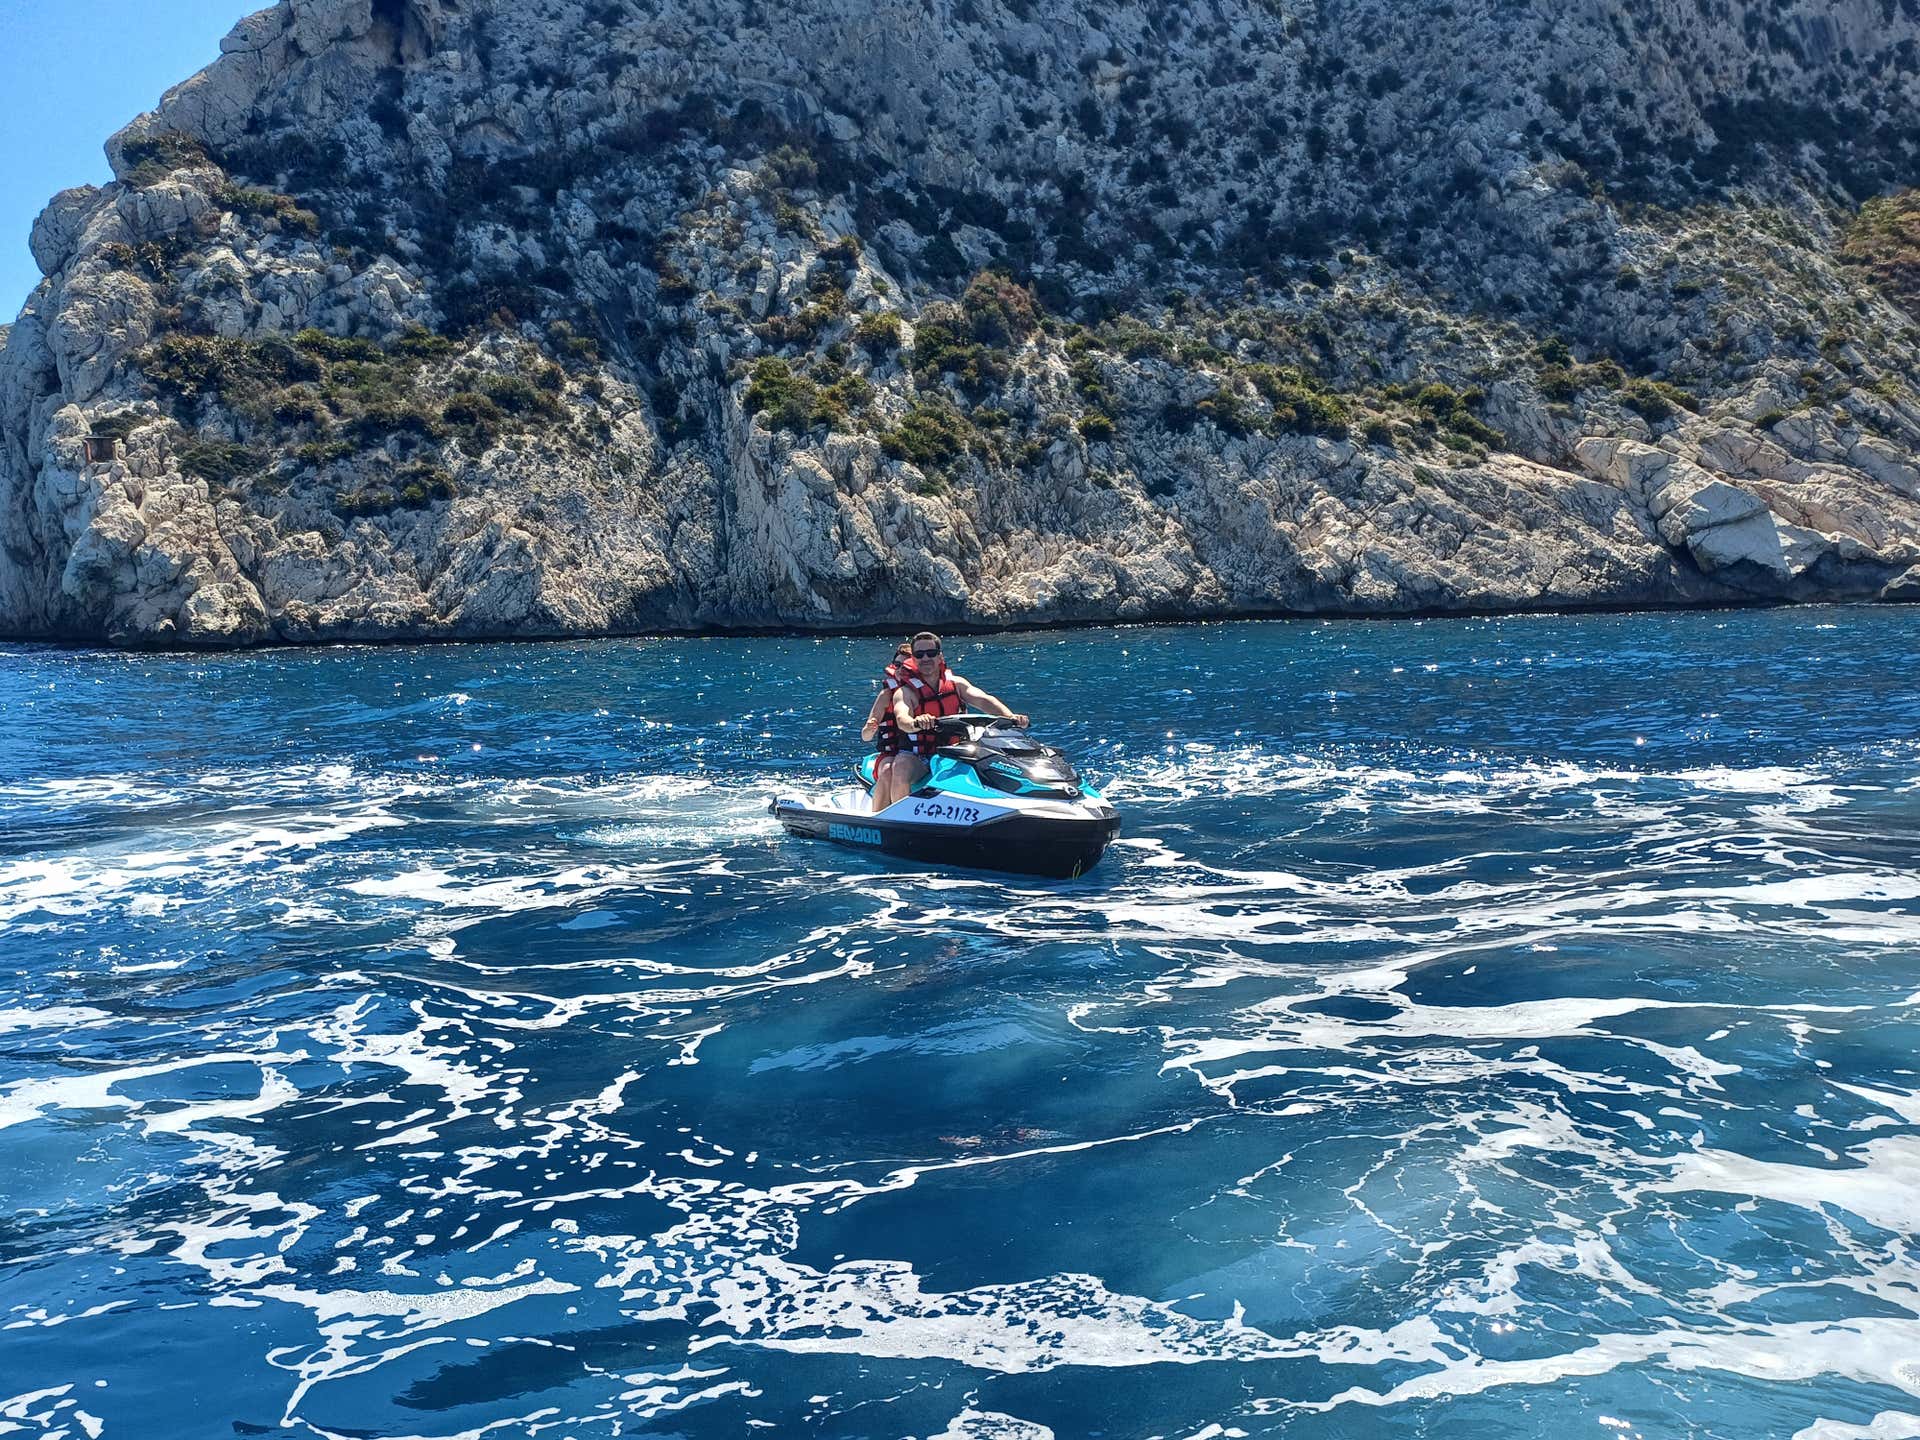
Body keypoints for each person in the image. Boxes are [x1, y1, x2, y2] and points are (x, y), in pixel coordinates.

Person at [872, 632, 1030, 811]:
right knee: (900, 766)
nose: (926, 658)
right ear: (914, 660)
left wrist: (1012, 718)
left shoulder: (956, 684)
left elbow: (985, 700)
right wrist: (917, 722)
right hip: (919, 757)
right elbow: (902, 719)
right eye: (919, 655)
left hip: (956, 752)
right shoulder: (906, 692)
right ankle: (901, 819)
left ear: (940, 656)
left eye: (931, 653)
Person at [860, 641, 916, 811]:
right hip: (891, 753)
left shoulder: (926, 692)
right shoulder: (886, 695)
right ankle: (878, 817)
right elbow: (865, 736)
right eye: (896, 665)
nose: (899, 670)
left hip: (920, 754)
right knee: (888, 769)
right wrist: (870, 728)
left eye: (904, 666)